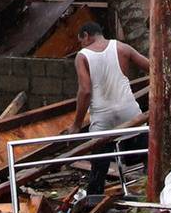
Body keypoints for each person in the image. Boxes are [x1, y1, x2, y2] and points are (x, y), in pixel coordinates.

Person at [63, 22, 148, 198]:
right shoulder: (122, 48)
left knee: (100, 159)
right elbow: (154, 67)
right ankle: (151, 184)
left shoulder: (82, 56)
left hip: (103, 116)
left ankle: (95, 197)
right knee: (143, 147)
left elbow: (85, 90)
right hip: (129, 112)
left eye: (81, 41)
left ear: (86, 35)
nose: (82, 45)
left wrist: (77, 124)